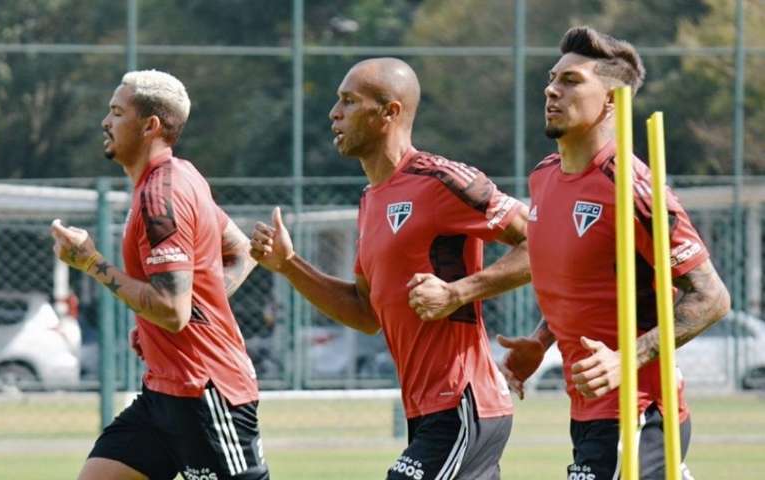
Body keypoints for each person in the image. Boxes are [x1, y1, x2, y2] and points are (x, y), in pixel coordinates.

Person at [413, 26, 732, 479]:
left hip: (638, 412)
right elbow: (587, 280)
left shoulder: (632, 187)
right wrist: (541, 343)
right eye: (552, 78)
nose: (551, 89)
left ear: (610, 101)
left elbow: (712, 298)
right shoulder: (544, 176)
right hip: (587, 413)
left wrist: (628, 358)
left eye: (571, 81)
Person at [250, 57, 531, 480]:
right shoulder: (370, 201)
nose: (334, 113)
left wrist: (459, 292)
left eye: (348, 101)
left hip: (463, 403)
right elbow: (365, 314)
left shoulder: (441, 180)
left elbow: (540, 241)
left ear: (390, 112)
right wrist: (290, 265)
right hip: (427, 411)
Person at [51, 70, 269, 480]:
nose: (106, 121)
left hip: (206, 391)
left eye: (117, 111)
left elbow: (171, 309)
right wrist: (183, 311)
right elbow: (240, 251)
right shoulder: (179, 177)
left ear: (150, 125)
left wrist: (90, 262)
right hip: (163, 393)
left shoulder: (160, 197)